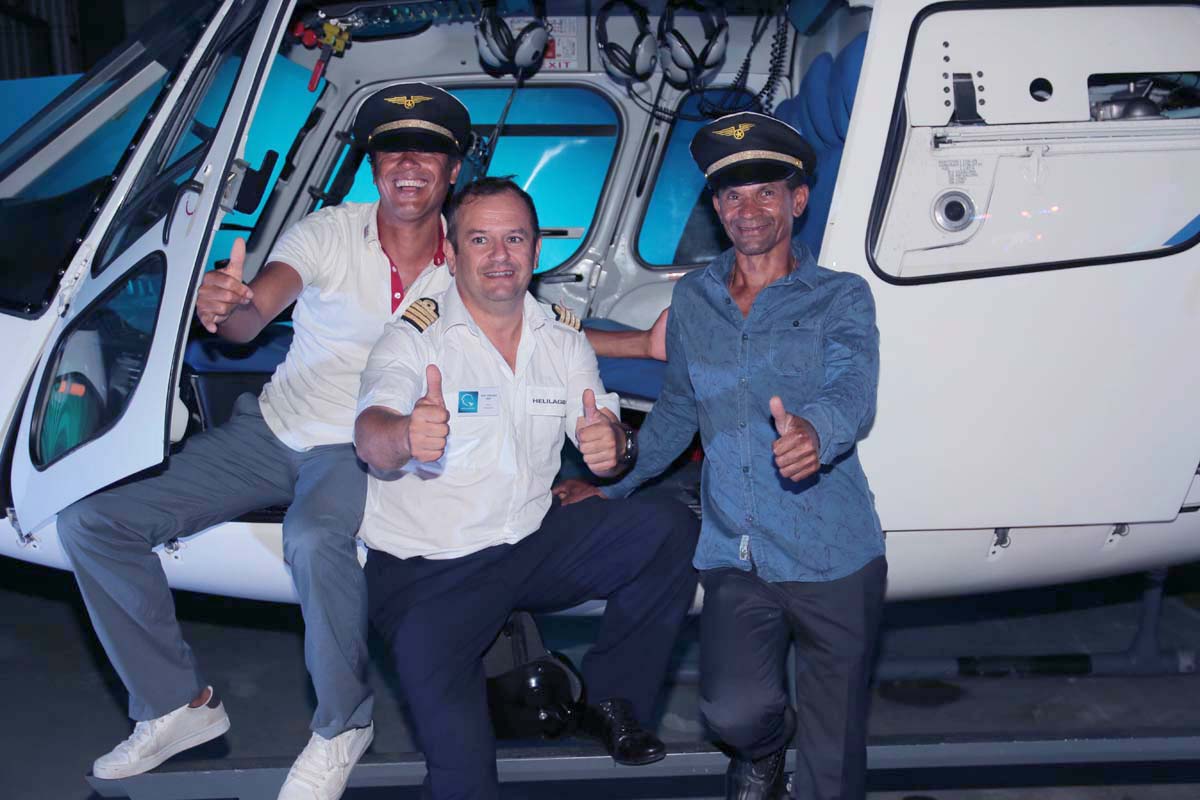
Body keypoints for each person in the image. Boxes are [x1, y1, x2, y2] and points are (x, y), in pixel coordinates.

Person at [56, 83, 664, 800]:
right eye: (391, 150)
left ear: (453, 170)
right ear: (373, 165)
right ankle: (174, 704)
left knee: (316, 539)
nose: (408, 165)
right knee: (92, 523)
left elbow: (539, 325)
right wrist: (225, 308)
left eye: (428, 152)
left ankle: (342, 723)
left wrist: (641, 345)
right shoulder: (327, 234)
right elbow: (255, 313)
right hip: (272, 426)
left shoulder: (466, 255)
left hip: (356, 446)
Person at [563, 112, 888, 800]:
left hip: (834, 551)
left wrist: (814, 432)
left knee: (834, 758)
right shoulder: (695, 299)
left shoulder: (841, 296)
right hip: (738, 551)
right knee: (733, 714)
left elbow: (852, 391)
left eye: (766, 192)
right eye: (732, 195)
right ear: (716, 207)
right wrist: (613, 485)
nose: (748, 210)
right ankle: (764, 751)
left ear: (798, 200)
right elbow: (678, 410)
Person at [353, 177, 700, 800]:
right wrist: (404, 434)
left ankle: (612, 700)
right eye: (479, 240)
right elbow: (369, 436)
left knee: (667, 528)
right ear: (451, 253)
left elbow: (603, 434)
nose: (499, 255)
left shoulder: (561, 338)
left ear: (536, 252)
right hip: (430, 571)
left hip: (526, 542)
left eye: (514, 239)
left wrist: (614, 448)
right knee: (463, 779)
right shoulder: (413, 338)